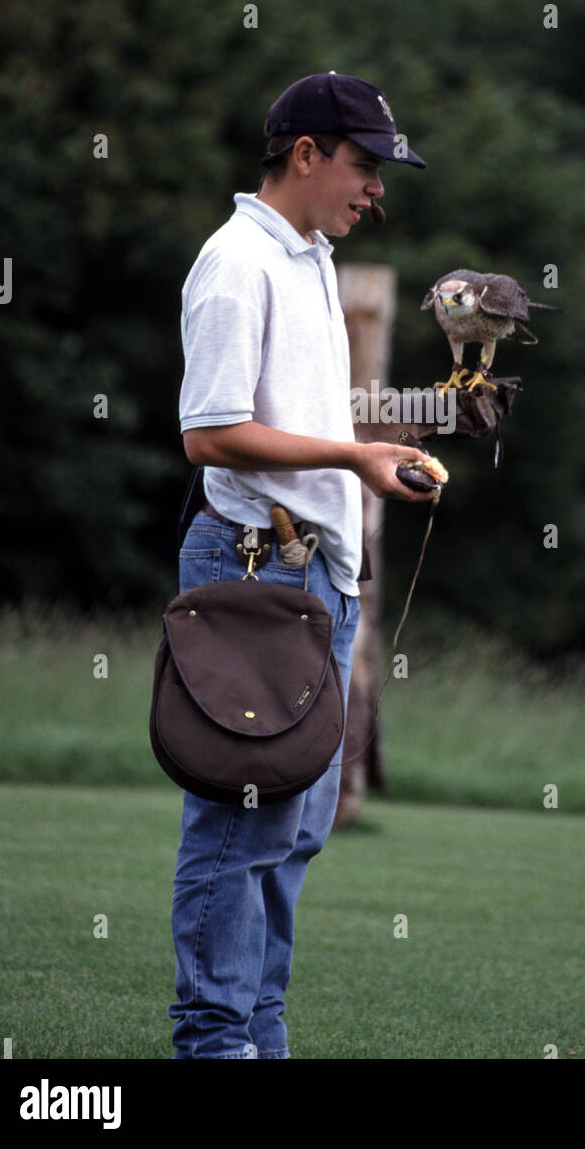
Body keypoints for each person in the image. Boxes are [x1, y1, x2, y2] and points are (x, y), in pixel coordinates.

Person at [169, 71, 432, 1059]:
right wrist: (350, 458)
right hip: (254, 572)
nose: (376, 189)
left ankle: (258, 1042)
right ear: (305, 153)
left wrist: (387, 439)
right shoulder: (237, 261)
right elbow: (211, 432)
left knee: (292, 835)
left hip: (316, 577)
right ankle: (214, 1045)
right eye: (364, 167)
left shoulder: (309, 254)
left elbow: (296, 425)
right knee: (239, 831)